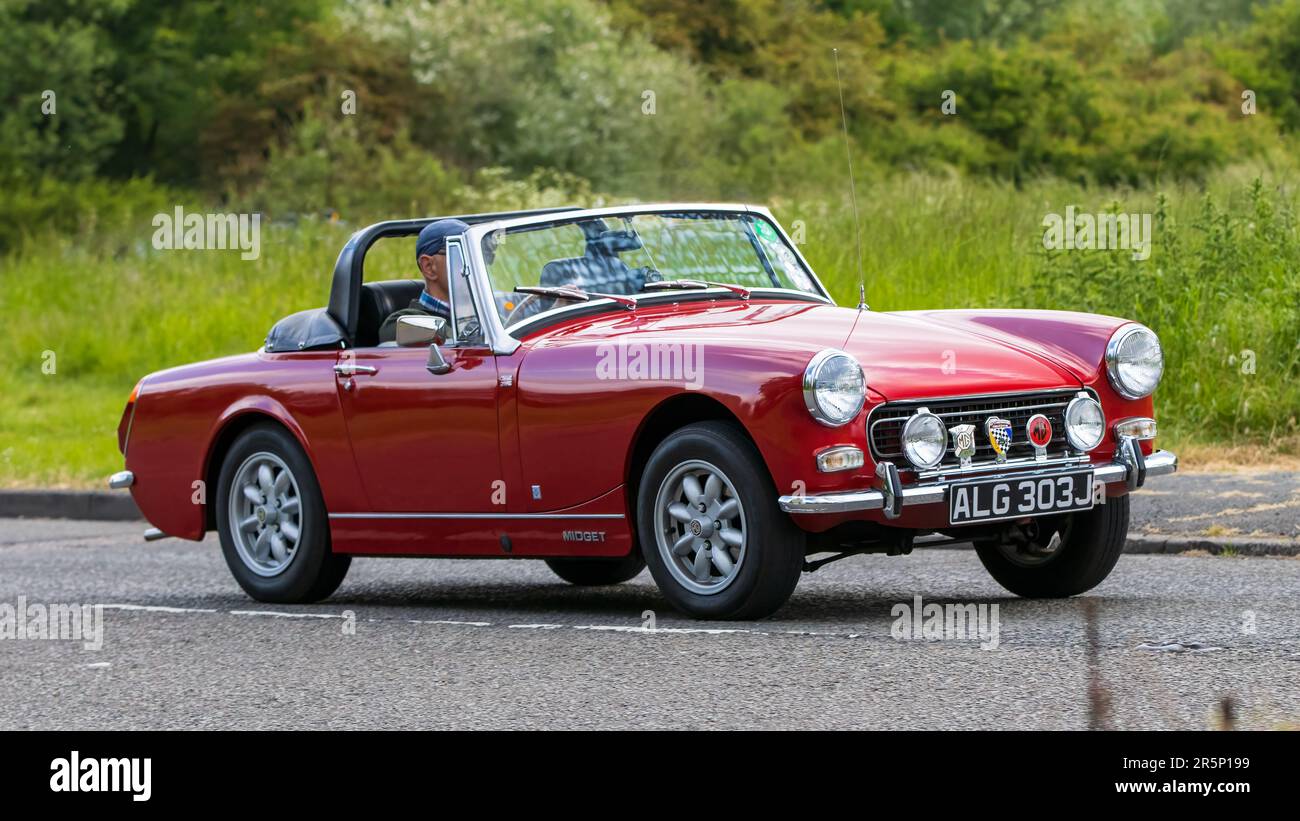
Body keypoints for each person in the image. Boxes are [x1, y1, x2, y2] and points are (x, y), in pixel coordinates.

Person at [377, 218, 469, 344]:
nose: (477, 266)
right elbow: (391, 332)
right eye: (463, 255)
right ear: (429, 267)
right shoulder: (401, 322)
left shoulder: (487, 315)